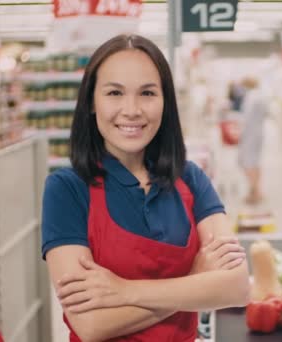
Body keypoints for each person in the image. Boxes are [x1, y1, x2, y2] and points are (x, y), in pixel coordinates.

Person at [41, 34, 250, 342]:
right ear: (91, 103)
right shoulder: (67, 189)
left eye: (147, 93)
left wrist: (124, 290)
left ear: (165, 102)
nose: (132, 110)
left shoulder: (190, 178)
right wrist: (195, 279)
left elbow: (237, 287)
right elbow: (91, 325)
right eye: (114, 92)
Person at [238, 77, 267, 205]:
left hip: (250, 133)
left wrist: (240, 132)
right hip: (259, 132)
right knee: (255, 162)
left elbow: (247, 117)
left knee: (247, 162)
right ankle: (258, 191)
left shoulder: (250, 97)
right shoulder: (260, 96)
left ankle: (253, 192)